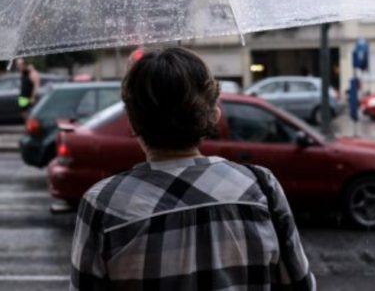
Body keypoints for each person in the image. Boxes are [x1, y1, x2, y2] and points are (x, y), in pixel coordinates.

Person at [70, 47, 315, 290]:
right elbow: (301, 285)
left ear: (132, 122)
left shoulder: (103, 204)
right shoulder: (261, 187)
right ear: (214, 114)